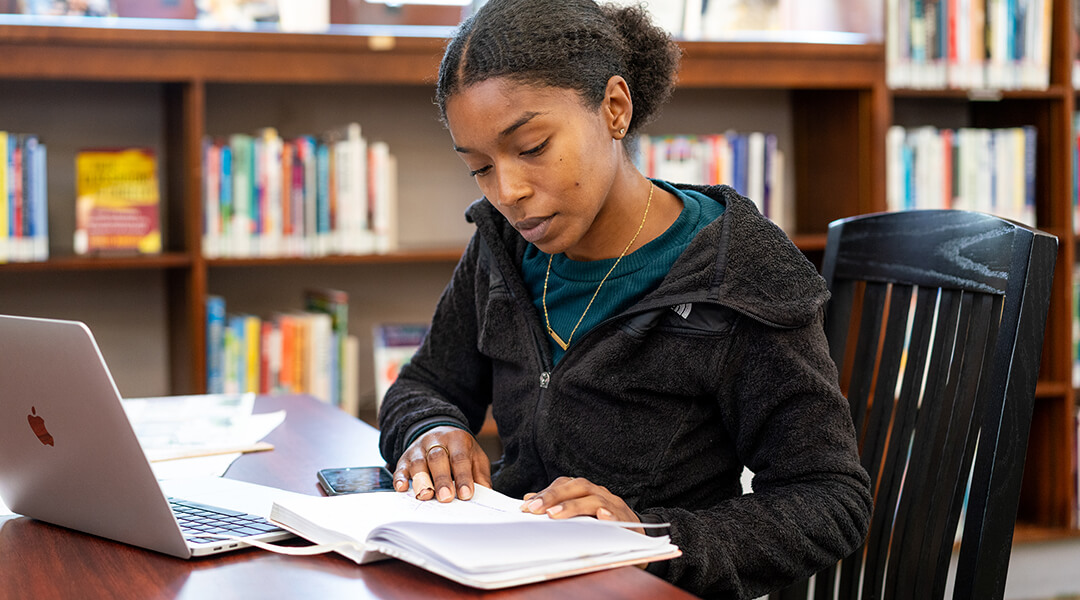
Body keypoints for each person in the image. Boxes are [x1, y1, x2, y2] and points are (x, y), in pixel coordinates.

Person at [377, 0, 873, 597]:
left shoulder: (737, 273)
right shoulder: (502, 249)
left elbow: (829, 498)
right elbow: (424, 384)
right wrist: (429, 430)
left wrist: (647, 537)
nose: (508, 191)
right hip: (510, 578)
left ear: (614, 108)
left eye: (532, 147)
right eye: (479, 167)